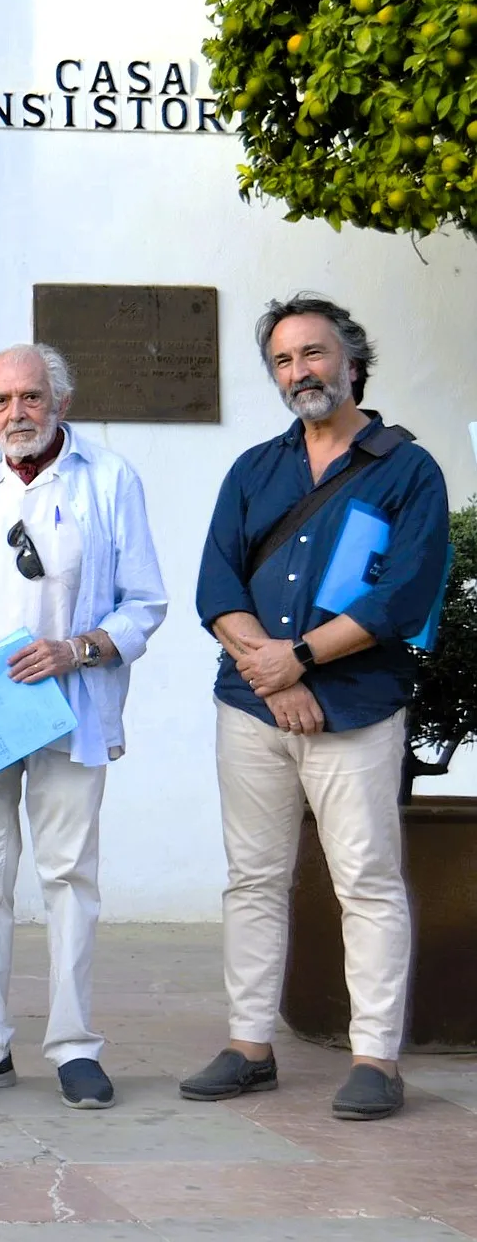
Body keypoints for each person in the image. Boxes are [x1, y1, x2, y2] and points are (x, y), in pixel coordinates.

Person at [182, 294, 448, 1121]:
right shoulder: (255, 468)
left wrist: (298, 659)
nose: (301, 371)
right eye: (285, 360)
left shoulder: (410, 470)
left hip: (357, 709)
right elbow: (216, 582)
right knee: (254, 879)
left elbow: (403, 595)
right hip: (253, 708)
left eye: (315, 353)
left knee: (365, 881)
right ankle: (249, 1044)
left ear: (351, 360)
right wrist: (275, 674)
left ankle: (376, 1057)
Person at [0, 344, 167, 1110]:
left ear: (60, 399)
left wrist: (75, 649)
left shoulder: (109, 479)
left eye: (29, 397)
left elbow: (143, 603)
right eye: (1, 401)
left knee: (68, 876)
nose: (15, 413)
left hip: (67, 710)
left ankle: (75, 1045)